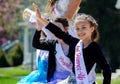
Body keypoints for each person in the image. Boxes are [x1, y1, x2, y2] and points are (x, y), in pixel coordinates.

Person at [33, 3, 112, 84]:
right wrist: (40, 18)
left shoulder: (94, 47)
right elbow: (58, 32)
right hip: (72, 81)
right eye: (77, 29)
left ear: (92, 29)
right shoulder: (76, 43)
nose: (80, 31)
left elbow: (106, 69)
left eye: (83, 27)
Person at [32, 17, 74, 84]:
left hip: (70, 79)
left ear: (66, 29)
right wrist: (38, 29)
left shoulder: (74, 44)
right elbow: (36, 44)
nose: (54, 30)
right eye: (53, 28)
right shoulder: (52, 44)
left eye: (58, 28)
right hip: (54, 79)